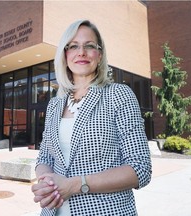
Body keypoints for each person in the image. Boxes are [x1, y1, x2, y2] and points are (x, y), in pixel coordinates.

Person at [31, 19, 152, 216]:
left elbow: (140, 168)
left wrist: (75, 185)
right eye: (73, 46)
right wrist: (46, 181)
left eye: (89, 46)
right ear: (65, 54)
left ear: (100, 54)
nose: (81, 52)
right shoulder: (55, 104)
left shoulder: (118, 95)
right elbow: (44, 157)